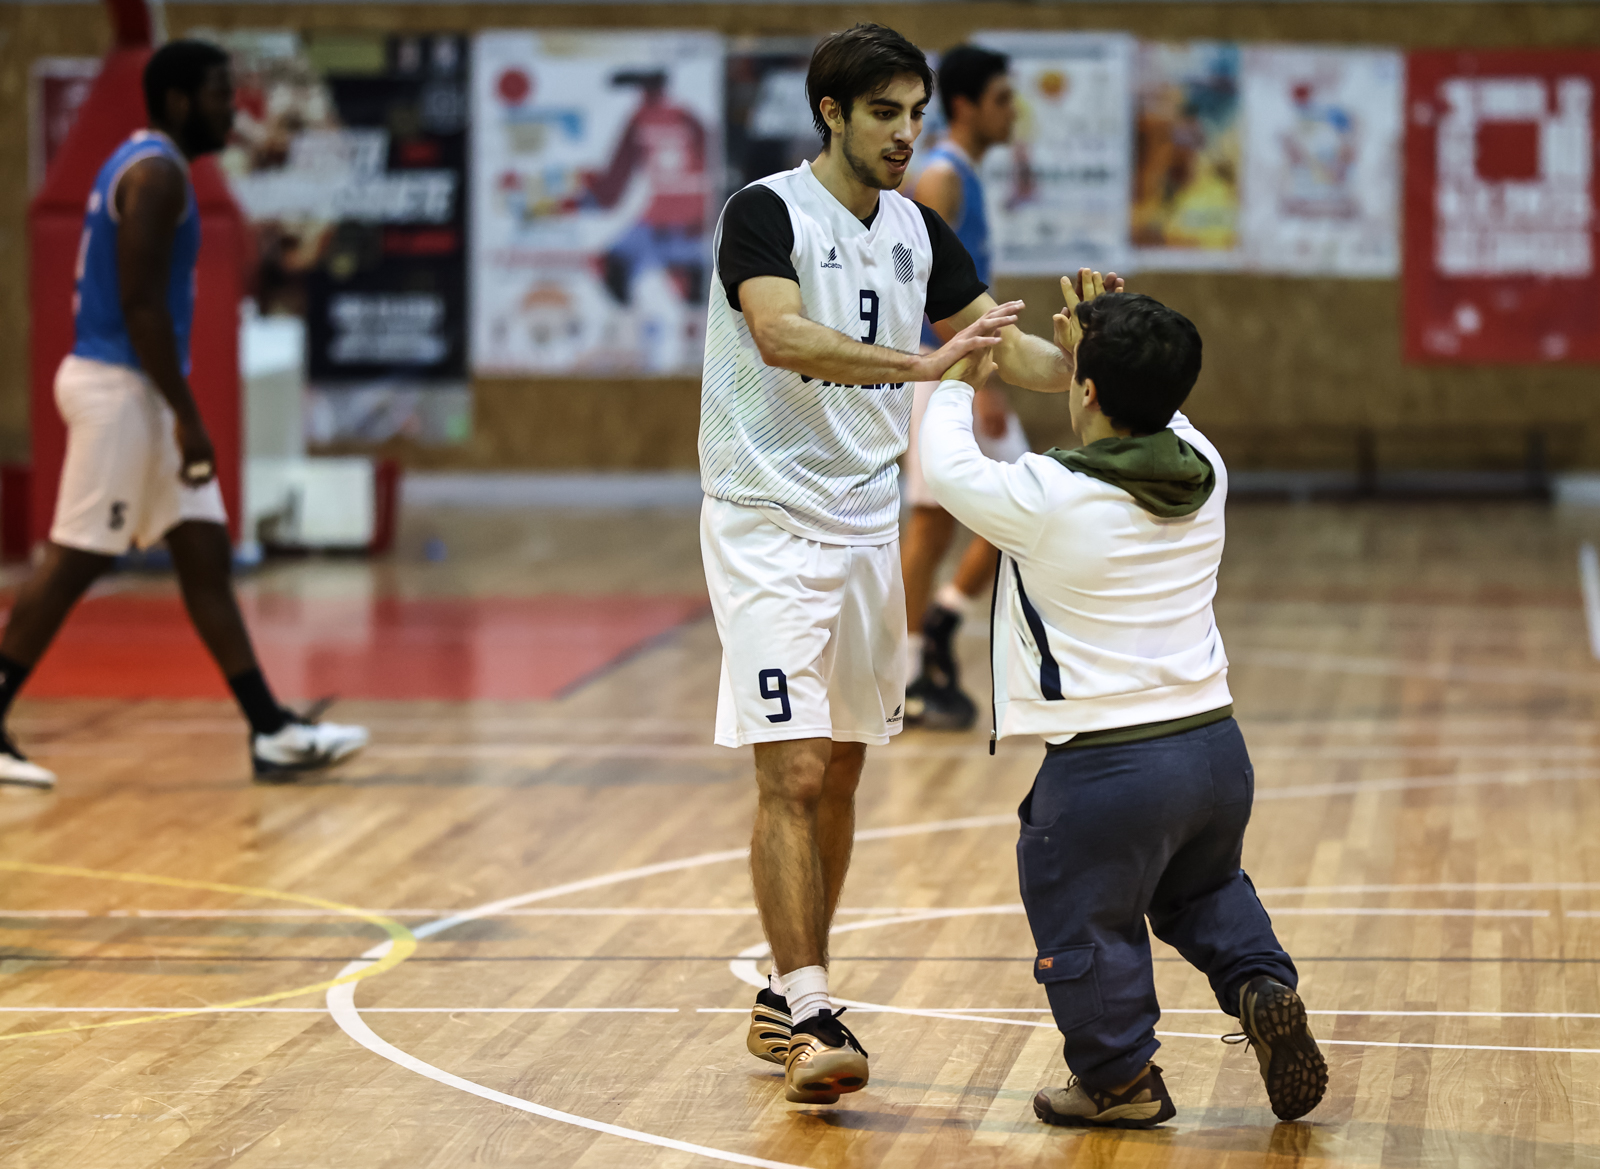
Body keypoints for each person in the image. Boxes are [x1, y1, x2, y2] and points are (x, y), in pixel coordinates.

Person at [699, 22, 1091, 1106]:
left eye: (915, 114)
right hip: (765, 519)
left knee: (845, 770)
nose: (905, 134)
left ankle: (786, 994)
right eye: (884, 114)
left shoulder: (920, 229)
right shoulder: (765, 212)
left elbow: (998, 344)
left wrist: (1098, 351)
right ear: (831, 112)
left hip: (866, 528)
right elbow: (780, 336)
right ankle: (817, 1004)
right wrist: (919, 366)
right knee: (793, 769)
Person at [918, 284, 1328, 1127]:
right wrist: (1103, 348)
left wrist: (964, 368)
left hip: (1108, 771)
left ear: (1088, 390)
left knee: (1083, 911)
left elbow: (949, 466)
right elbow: (1162, 410)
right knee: (1203, 887)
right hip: (1215, 751)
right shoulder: (1204, 468)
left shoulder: (1046, 495)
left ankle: (1119, 1079)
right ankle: (1260, 983)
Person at [0, 40, 368, 791]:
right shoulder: (158, 176)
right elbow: (140, 309)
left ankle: (272, 731)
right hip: (120, 388)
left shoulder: (150, 162)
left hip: (141, 389)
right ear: (176, 101)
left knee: (204, 556)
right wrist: (188, 417)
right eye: (218, 95)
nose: (233, 110)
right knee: (75, 560)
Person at [900, 44, 1027, 731]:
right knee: (930, 520)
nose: (1015, 112)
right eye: (1004, 98)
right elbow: (924, 287)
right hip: (940, 367)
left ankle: (942, 623)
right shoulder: (943, 176)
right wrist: (976, 375)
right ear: (970, 105)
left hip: (965, 364)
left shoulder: (967, 174)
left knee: (1017, 508)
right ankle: (909, 670)